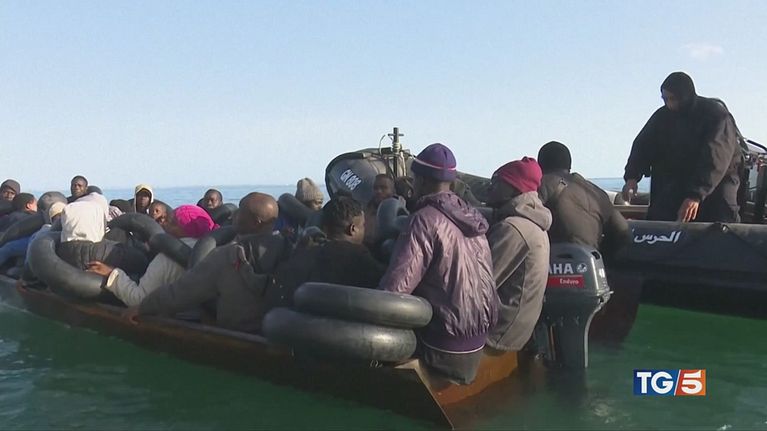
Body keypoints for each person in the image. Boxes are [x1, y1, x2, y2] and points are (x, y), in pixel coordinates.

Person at [378, 143, 499, 385]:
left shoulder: (423, 220)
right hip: (479, 340)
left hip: (443, 345)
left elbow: (395, 290)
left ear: (421, 180)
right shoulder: (474, 220)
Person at [125, 192, 290, 333]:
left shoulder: (226, 256)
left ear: (256, 222)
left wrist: (143, 307)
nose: (234, 214)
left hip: (234, 334)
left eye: (241, 211)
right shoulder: (290, 250)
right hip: (273, 333)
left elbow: (182, 292)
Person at [623, 71, 743, 223]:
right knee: (661, 214)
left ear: (684, 96)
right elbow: (642, 146)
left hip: (716, 183)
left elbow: (715, 158)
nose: (669, 104)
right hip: (675, 180)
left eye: (672, 99)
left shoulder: (716, 115)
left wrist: (696, 195)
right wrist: (632, 177)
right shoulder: (662, 116)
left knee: (721, 219)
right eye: (665, 99)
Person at [87, 205, 217, 306]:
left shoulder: (167, 259)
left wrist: (112, 274)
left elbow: (138, 299)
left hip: (176, 319)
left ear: (183, 229)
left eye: (171, 222)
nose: (165, 224)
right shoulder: (218, 251)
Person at [485, 157, 552, 352]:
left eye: (497, 182)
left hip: (497, 334)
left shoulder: (512, 229)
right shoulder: (534, 223)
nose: (490, 187)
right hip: (517, 329)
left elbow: (479, 285)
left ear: (515, 188)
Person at [271, 195, 386, 305]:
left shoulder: (302, 254)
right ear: (352, 229)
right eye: (363, 225)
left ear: (324, 227)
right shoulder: (361, 258)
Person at [538, 141, 629, 257]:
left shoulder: (539, 186)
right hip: (590, 260)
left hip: (550, 260)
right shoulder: (596, 192)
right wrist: (599, 256)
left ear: (540, 166)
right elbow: (624, 232)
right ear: (569, 165)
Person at [363, 174, 396, 247]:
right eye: (375, 188)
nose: (379, 191)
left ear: (393, 191)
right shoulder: (364, 213)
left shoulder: (401, 212)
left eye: (383, 188)